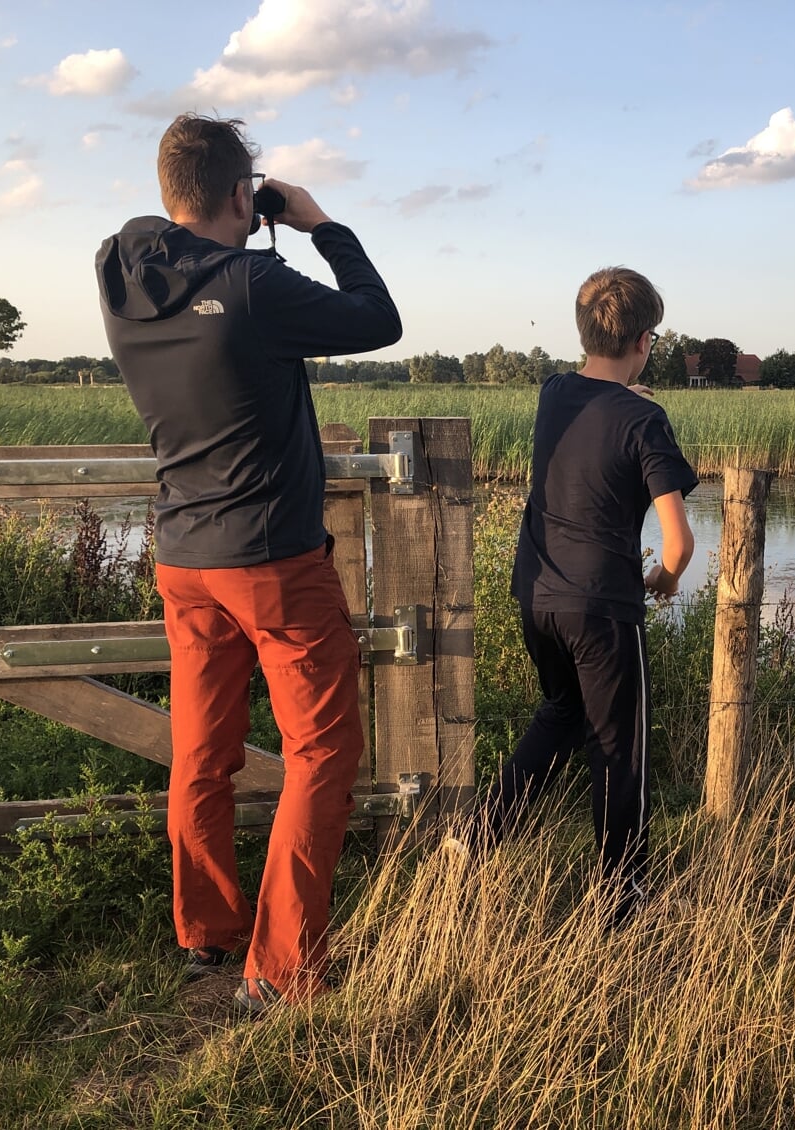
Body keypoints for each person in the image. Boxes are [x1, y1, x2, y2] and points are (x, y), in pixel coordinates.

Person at [95, 113, 402, 1011]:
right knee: (322, 752)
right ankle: (281, 967)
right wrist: (316, 223)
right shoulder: (255, 280)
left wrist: (222, 209)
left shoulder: (117, 271)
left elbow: (156, 233)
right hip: (272, 559)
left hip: (184, 558)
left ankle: (208, 933)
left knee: (201, 751)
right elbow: (377, 319)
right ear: (243, 196)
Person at [460, 266, 697, 924]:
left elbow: (597, 404)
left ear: (583, 329)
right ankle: (623, 900)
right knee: (621, 749)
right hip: (602, 606)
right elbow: (678, 544)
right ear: (647, 340)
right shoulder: (645, 421)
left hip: (537, 596)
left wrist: (629, 397)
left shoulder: (553, 391)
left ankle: (473, 838)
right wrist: (665, 578)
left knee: (561, 714)